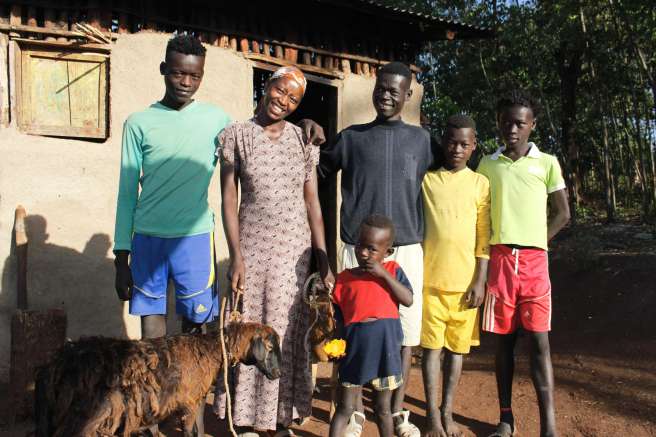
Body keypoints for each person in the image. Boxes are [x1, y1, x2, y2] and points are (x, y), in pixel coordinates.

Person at [113, 36, 325, 436]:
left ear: (203, 76)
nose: (185, 81)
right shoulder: (139, 123)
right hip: (147, 240)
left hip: (194, 240)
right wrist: (120, 254)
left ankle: (190, 421)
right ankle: (150, 423)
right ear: (163, 70)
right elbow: (127, 192)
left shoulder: (217, 120)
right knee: (153, 335)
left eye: (194, 74)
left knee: (195, 336)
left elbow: (265, 127)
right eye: (177, 72)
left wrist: (309, 123)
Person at [218, 65, 335, 436]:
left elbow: (313, 202)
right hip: (252, 247)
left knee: (285, 330)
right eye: (279, 91)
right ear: (266, 86)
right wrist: (235, 254)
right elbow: (228, 198)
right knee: (248, 330)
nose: (283, 101)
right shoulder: (236, 135)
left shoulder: (303, 140)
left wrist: (323, 256)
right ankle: (247, 419)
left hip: (292, 254)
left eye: (293, 99)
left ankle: (280, 417)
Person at [319, 61, 432, 437]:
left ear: (408, 94)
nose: (386, 94)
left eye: (394, 90)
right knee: (348, 330)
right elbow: (316, 169)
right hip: (358, 250)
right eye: (381, 87)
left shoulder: (423, 141)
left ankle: (395, 413)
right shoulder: (351, 138)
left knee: (404, 335)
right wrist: (308, 133)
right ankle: (350, 414)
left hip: (406, 250)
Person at [477, 90, 570, 437]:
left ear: (533, 125)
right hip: (499, 260)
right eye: (506, 122)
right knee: (504, 342)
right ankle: (506, 418)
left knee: (540, 342)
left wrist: (537, 240)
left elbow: (563, 213)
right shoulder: (487, 164)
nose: (512, 128)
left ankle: (549, 425)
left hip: (534, 262)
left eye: (520, 122)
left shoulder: (546, 162)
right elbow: (481, 214)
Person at [420, 114, 490, 437]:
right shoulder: (428, 180)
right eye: (451, 142)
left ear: (474, 146)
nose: (457, 149)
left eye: (464, 144)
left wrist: (480, 280)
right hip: (430, 282)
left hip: (465, 286)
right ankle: (432, 415)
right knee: (432, 350)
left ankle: (448, 410)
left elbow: (483, 236)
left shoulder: (480, 184)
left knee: (457, 351)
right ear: (443, 141)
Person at [330, 214, 413, 437]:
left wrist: (383, 274)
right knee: (345, 407)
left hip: (385, 352)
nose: (363, 253)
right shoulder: (344, 278)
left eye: (371, 249)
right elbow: (338, 319)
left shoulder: (393, 271)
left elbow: (408, 299)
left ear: (388, 252)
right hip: (354, 351)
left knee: (383, 409)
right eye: (359, 245)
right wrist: (336, 346)